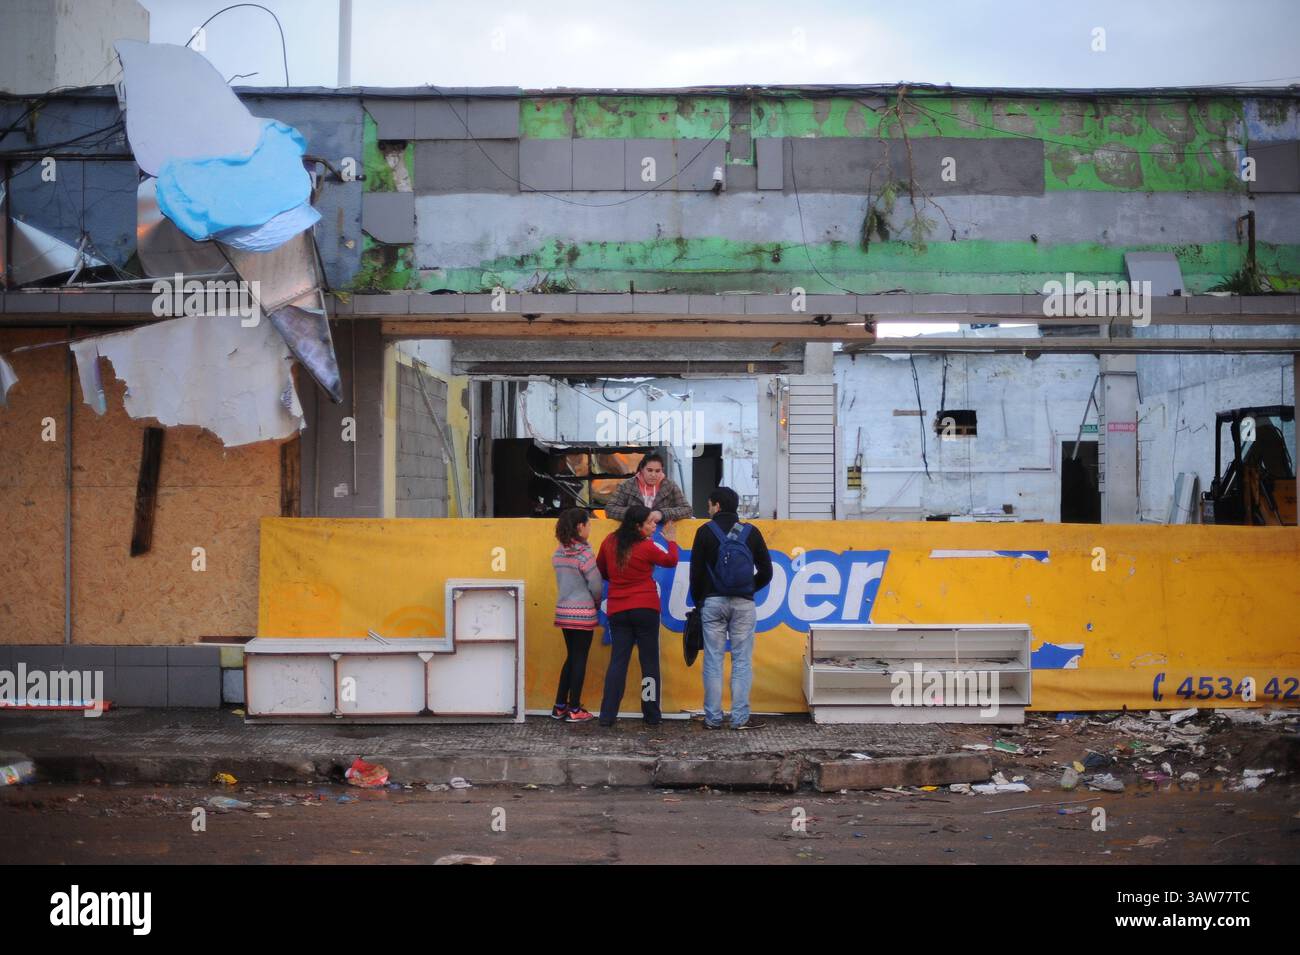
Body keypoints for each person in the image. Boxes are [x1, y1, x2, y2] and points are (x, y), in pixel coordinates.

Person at [688, 486, 773, 730]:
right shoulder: (751, 532)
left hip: (713, 603)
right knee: (742, 661)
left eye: (709, 504)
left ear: (716, 505)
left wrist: (701, 601)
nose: (708, 508)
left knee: (713, 661)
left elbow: (695, 574)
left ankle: (713, 719)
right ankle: (740, 719)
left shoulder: (704, 532)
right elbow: (767, 572)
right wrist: (747, 589)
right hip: (743, 603)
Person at [595, 504, 679, 727]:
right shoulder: (646, 547)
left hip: (618, 610)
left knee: (618, 662)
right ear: (637, 525)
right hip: (646, 609)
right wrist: (671, 540)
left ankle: (607, 715)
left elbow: (601, 570)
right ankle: (651, 715)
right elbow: (671, 560)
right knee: (649, 662)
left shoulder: (609, 542)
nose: (654, 525)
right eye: (650, 522)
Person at [550, 508, 602, 722]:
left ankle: (560, 705)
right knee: (580, 659)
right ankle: (575, 708)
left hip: (564, 612)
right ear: (580, 527)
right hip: (583, 613)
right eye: (589, 524)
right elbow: (596, 585)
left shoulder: (558, 553)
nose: (590, 527)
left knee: (571, 657)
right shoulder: (585, 554)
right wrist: (596, 603)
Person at [604, 452, 693, 524]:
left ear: (662, 470)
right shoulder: (627, 485)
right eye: (649, 470)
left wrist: (662, 514)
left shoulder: (670, 486)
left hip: (662, 537)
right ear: (642, 469)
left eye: (657, 471)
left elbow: (687, 510)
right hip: (634, 536)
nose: (653, 475)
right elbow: (610, 509)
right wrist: (636, 514)